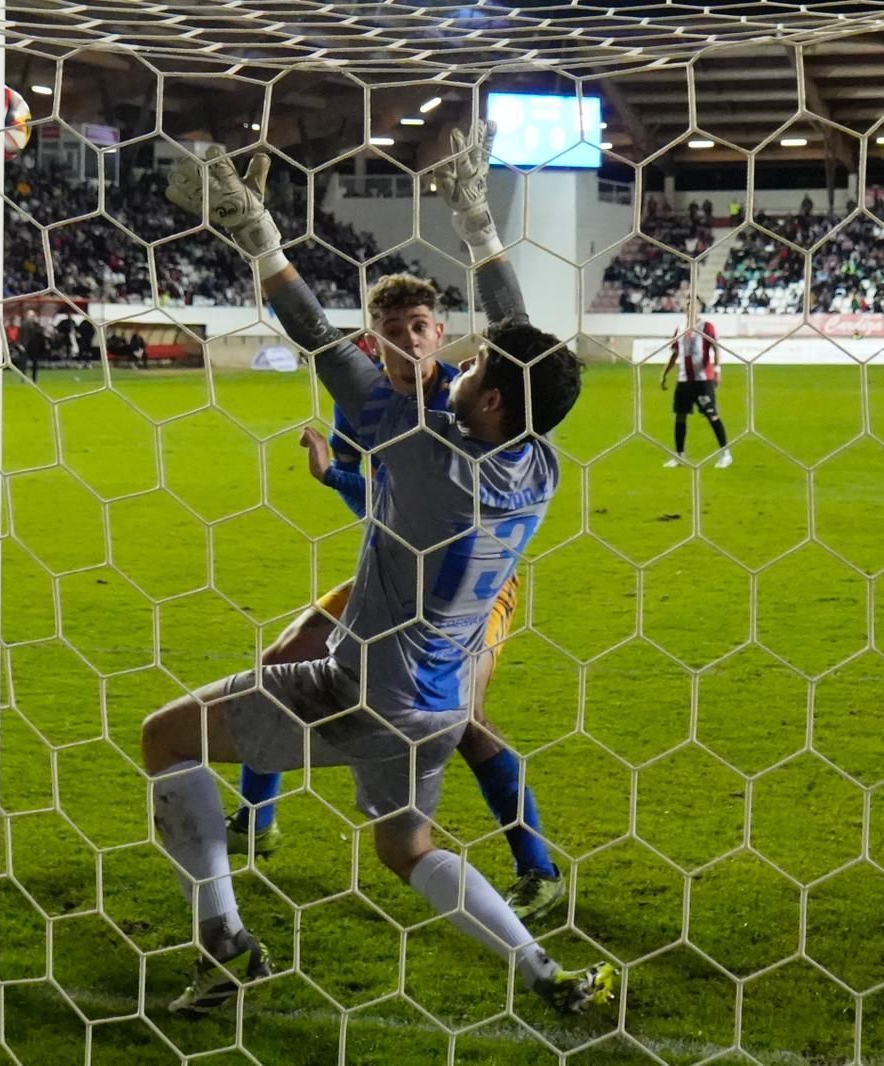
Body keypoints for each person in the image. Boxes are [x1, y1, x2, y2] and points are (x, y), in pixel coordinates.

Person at [152, 124, 611, 1017]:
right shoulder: (539, 466)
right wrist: (479, 228)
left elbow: (319, 338)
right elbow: (517, 346)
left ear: (483, 396)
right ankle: (543, 973)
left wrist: (259, 239)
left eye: (470, 363)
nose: (463, 359)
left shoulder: (418, 445)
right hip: (432, 707)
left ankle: (223, 941)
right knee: (406, 847)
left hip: (359, 687)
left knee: (165, 737)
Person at [227, 273, 564, 922]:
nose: (409, 341)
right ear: (371, 341)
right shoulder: (362, 407)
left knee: (462, 718)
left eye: (419, 326)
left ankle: (538, 869)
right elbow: (384, 498)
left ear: (440, 332)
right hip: (389, 575)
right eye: (393, 331)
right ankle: (256, 819)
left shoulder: (470, 403)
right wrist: (335, 478)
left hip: (476, 586)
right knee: (279, 663)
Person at [660, 299, 732, 468]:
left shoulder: (706, 327)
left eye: (694, 304)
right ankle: (680, 455)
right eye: (688, 304)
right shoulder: (680, 329)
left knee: (711, 414)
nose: (691, 307)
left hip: (702, 380)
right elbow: (675, 354)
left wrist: (717, 369)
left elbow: (716, 347)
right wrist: (664, 374)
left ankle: (726, 454)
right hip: (684, 381)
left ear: (699, 308)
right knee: (680, 416)